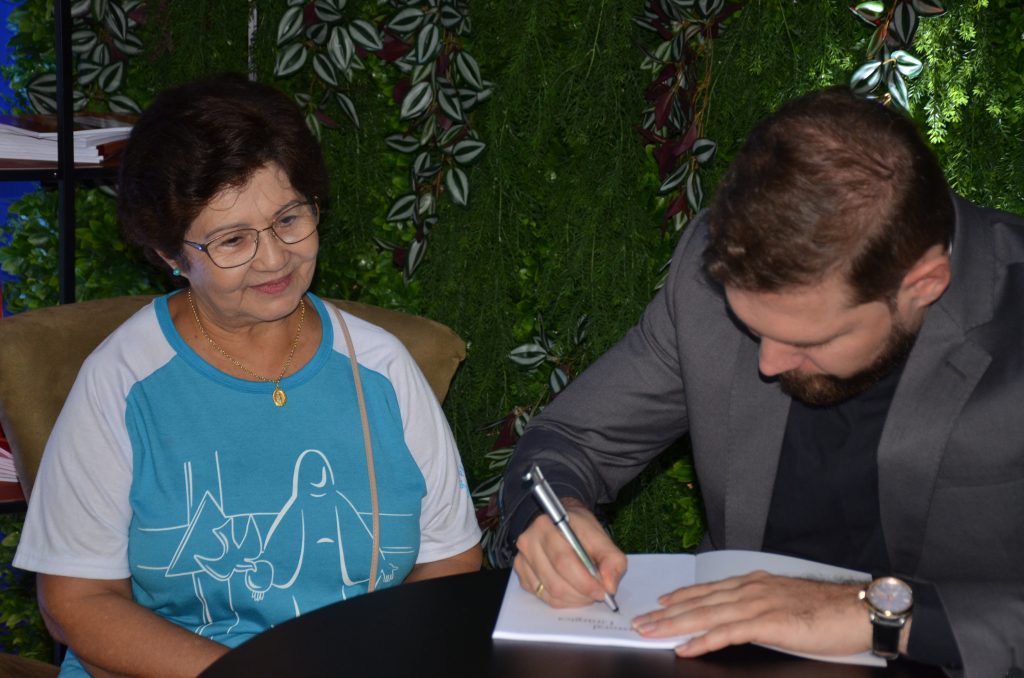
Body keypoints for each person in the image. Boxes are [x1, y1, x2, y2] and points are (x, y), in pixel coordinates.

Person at [496, 87, 1024, 676]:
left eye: (810, 340)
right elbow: (568, 442)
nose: (767, 363)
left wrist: (878, 615)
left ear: (923, 284)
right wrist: (552, 515)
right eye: (752, 327)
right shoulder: (710, 278)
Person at [14, 74, 481, 677]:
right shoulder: (123, 382)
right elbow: (76, 602)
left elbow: (451, 557)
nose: (274, 258)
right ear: (171, 255)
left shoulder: (382, 367)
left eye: (289, 219)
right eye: (232, 240)